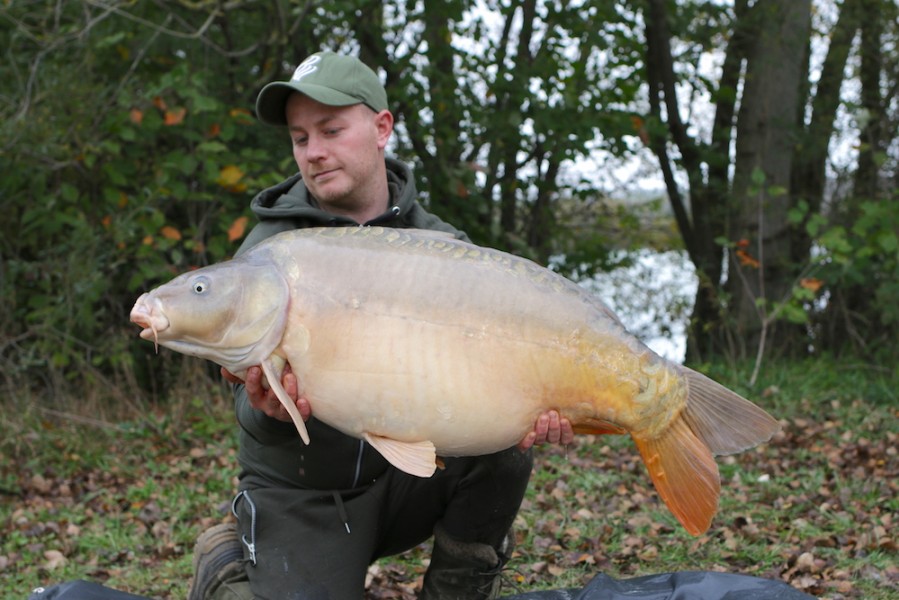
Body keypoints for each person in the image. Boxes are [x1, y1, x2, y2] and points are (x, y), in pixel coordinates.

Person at [188, 50, 574, 600]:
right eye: (300, 138)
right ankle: (227, 564)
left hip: (407, 476)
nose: (314, 153)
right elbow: (248, 409)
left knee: (504, 447)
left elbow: (486, 369)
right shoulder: (273, 256)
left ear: (381, 128)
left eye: (331, 130)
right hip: (306, 493)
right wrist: (270, 413)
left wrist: (535, 405)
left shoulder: (441, 248)